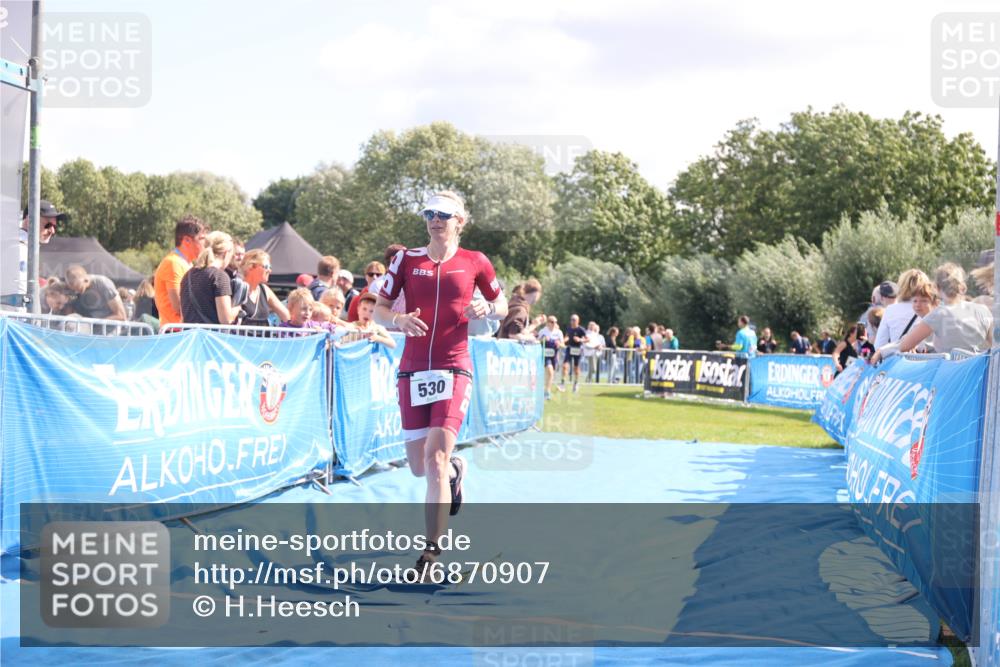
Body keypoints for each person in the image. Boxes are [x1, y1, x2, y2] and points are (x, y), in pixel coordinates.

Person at [372, 190, 507, 577]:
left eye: (444, 215)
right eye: (430, 213)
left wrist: (487, 308)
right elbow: (380, 309)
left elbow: (502, 305)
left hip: (454, 367)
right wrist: (397, 321)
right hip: (412, 368)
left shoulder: (475, 262)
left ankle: (431, 552)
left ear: (460, 221)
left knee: (435, 457)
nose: (435, 220)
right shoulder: (406, 259)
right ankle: (454, 474)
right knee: (418, 466)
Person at [874, 263, 992, 361]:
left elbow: (904, 345)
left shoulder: (938, 315)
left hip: (951, 378)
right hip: (979, 378)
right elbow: (995, 346)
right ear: (962, 286)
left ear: (937, 288)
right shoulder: (983, 310)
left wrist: (882, 351)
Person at [154, 215, 207, 327]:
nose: (205, 244)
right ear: (187, 240)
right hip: (175, 333)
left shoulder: (186, 263)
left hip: (183, 331)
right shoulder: (173, 263)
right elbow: (179, 306)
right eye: (201, 239)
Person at [179, 231, 241, 325]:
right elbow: (226, 320)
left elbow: (184, 315)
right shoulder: (219, 276)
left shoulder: (188, 275)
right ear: (226, 253)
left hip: (190, 336)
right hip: (210, 337)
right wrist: (238, 308)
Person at [873, 269, 930, 350]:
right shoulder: (930, 311)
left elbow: (879, 345)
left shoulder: (890, 310)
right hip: (925, 360)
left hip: (899, 361)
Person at [238, 250, 290, 327]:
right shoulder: (238, 288)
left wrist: (309, 326)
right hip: (242, 338)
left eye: (270, 267)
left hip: (263, 338)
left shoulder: (265, 290)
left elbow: (287, 316)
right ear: (251, 266)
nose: (270, 270)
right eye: (266, 267)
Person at [537, 315, 564, 398]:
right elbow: (537, 341)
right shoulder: (543, 331)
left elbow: (563, 345)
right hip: (545, 355)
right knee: (550, 371)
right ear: (548, 323)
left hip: (554, 355)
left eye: (555, 322)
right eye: (552, 322)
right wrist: (542, 340)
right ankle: (547, 392)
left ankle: (546, 390)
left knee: (550, 374)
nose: (554, 324)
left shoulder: (559, 332)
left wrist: (559, 344)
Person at [562, 314, 587, 393]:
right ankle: (563, 383)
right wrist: (562, 341)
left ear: (578, 321)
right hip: (569, 348)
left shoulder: (581, 329)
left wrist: (580, 340)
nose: (572, 321)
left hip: (577, 349)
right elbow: (567, 336)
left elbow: (587, 339)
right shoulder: (569, 328)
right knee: (565, 365)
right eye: (571, 319)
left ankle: (576, 383)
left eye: (574, 320)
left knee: (576, 368)